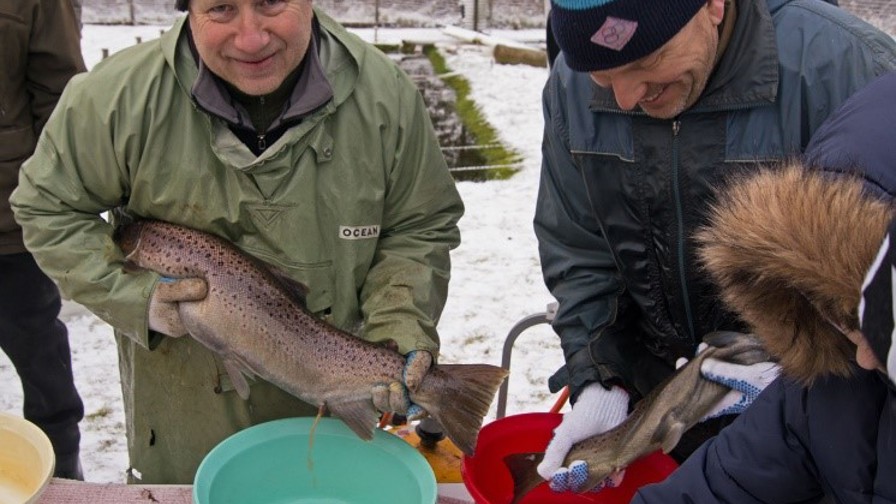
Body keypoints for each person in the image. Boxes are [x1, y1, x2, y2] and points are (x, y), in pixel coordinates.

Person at [10, 0, 464, 484]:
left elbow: (419, 227)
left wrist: (398, 326)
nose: (250, 38)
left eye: (270, 3)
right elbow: (46, 208)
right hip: (181, 422)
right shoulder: (117, 98)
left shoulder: (386, 99)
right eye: (221, 9)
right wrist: (137, 298)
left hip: (333, 420)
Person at [533, 0, 896, 493]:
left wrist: (796, 361)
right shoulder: (570, 84)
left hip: (812, 419)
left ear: (713, 7)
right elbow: (580, 252)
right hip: (660, 413)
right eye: (602, 77)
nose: (624, 98)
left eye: (646, 61)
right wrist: (601, 377)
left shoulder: (848, 67)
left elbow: (878, 291)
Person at [631, 69, 896, 503]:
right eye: (843, 315)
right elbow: (715, 488)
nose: (864, 358)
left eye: (889, 324)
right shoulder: (821, 392)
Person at [0, 0, 86, 481]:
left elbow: (62, 102)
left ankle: (60, 479)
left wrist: (55, 201)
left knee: (42, 366)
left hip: (8, 226)